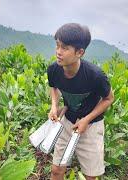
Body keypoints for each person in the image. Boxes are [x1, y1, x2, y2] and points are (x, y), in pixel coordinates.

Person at [47, 23, 114, 180]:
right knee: (56, 170)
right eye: (57, 45)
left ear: (80, 52)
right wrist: (54, 106)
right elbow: (54, 88)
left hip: (91, 125)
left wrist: (86, 119)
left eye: (64, 48)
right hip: (67, 121)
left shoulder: (95, 76)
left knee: (90, 176)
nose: (58, 52)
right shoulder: (54, 70)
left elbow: (109, 98)